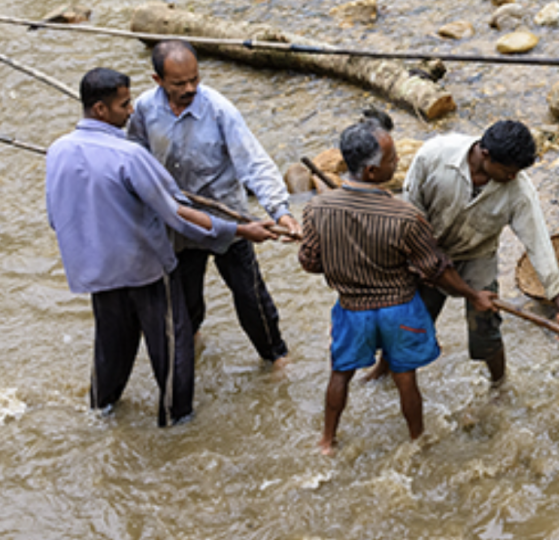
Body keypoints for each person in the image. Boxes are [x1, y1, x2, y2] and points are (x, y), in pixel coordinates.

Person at [45, 68, 277, 427]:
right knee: (172, 347)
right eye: (124, 105)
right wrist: (239, 230)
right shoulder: (129, 156)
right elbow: (177, 214)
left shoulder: (58, 150)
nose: (131, 112)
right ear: (101, 109)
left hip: (97, 271)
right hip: (146, 268)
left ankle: (101, 411)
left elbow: (55, 217)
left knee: (110, 345)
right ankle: (176, 423)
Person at [298, 110, 496, 455]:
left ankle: (327, 441)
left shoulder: (317, 209)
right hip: (399, 310)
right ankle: (417, 441)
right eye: (392, 159)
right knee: (406, 379)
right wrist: (472, 294)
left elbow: (310, 263)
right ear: (372, 172)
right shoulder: (406, 216)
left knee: (340, 373)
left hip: (352, 309)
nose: (398, 162)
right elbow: (435, 269)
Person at [127, 39, 299, 369]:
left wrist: (280, 211)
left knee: (250, 295)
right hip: (180, 221)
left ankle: (276, 356)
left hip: (229, 219)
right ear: (157, 80)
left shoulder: (219, 109)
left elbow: (253, 162)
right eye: (179, 83)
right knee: (185, 296)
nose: (190, 88)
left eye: (195, 79)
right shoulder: (145, 109)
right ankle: (191, 344)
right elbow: (135, 155)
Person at [364, 120, 559, 386]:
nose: (513, 177)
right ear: (485, 155)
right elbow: (410, 211)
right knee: (410, 322)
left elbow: (539, 243)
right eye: (508, 171)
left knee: (485, 327)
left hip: (477, 254)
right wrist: (421, 258)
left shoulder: (519, 190)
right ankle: (383, 371)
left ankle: (499, 384)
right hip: (427, 247)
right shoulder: (434, 156)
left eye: (516, 173)